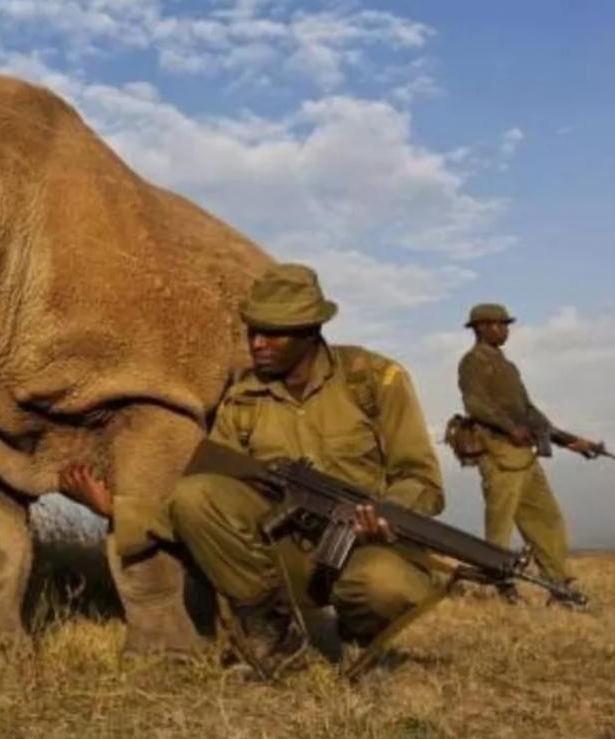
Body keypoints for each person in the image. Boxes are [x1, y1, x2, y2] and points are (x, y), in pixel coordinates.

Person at [61, 263, 444, 676]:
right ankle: (272, 637)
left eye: (273, 333)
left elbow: (421, 479)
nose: (257, 343)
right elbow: (199, 502)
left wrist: (386, 514)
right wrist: (116, 509)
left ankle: (356, 636)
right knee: (197, 494)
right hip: (284, 555)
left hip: (365, 547)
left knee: (385, 586)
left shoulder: (373, 381)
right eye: (252, 331)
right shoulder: (243, 399)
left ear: (310, 332)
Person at [457, 303, 602, 608]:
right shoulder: (472, 362)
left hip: (524, 455)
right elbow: (475, 405)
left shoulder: (507, 366)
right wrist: (510, 428)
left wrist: (571, 441)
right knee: (500, 525)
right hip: (498, 454)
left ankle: (560, 585)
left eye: (505, 324)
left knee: (546, 518)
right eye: (496, 324)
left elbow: (530, 411)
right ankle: (499, 584)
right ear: (479, 327)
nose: (503, 329)